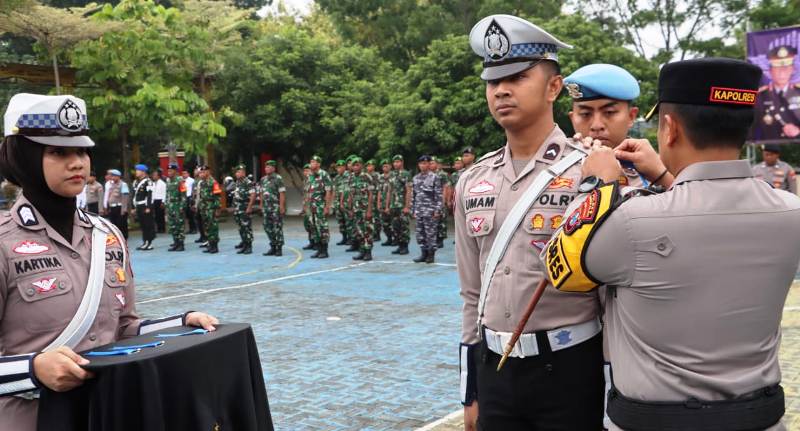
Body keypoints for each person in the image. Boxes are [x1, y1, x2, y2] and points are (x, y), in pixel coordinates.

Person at [545, 57, 796, 431]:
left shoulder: (632, 221)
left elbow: (560, 268)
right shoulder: (791, 212)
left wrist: (595, 186)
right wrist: (665, 175)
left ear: (669, 127)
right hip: (761, 419)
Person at [0, 93, 219, 431]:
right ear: (24, 156)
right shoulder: (3, 242)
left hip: (108, 413)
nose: (77, 163)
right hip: (32, 420)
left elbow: (121, 329)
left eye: (82, 150)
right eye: (58, 152)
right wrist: (33, 369)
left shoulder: (108, 236)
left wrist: (182, 323)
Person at [457, 14, 603, 430]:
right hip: (495, 369)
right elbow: (471, 294)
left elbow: (613, 298)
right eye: (492, 81)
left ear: (554, 87)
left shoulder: (589, 171)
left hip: (570, 369)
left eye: (518, 77)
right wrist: (471, 389)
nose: (501, 90)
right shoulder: (474, 180)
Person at [564, 63, 646, 187]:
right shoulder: (555, 167)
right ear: (572, 118)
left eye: (609, 112)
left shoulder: (654, 170)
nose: (596, 125)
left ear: (631, 116)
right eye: (585, 114)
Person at [755, 45, 800, 140]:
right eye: (777, 68)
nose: (782, 73)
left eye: (786, 68)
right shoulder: (759, 96)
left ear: (792, 70)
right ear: (770, 71)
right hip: (769, 150)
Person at [411, 155, 442, 263]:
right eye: (421, 163)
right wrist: (413, 210)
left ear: (429, 164)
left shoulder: (435, 177)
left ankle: (431, 255)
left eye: (425, 163)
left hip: (430, 211)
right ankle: (423, 253)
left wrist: (437, 210)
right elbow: (414, 196)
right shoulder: (415, 178)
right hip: (419, 210)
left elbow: (438, 195)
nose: (423, 165)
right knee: (420, 234)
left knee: (431, 234)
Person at [348, 157, 375, 261]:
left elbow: (371, 194)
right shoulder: (351, 178)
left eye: (357, 165)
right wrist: (350, 208)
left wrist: (369, 210)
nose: (355, 167)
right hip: (356, 209)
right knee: (359, 231)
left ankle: (368, 252)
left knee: (367, 230)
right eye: (354, 165)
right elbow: (350, 194)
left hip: (365, 208)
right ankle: (362, 250)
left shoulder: (367, 177)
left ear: (362, 166)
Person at [306, 155, 333, 258]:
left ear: (318, 164)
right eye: (311, 161)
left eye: (314, 162)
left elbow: (328, 191)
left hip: (320, 205)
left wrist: (327, 206)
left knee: (322, 227)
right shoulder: (310, 175)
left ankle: (324, 250)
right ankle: (318, 248)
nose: (311, 163)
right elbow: (308, 191)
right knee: (313, 227)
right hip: (311, 206)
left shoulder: (324, 174)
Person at [260, 160, 286, 256]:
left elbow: (282, 193)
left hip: (275, 206)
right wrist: (261, 204)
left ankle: (279, 248)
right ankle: (273, 246)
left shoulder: (278, 178)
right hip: (266, 207)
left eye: (269, 167)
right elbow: (262, 192)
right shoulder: (263, 179)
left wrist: (282, 206)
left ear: (273, 168)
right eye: (266, 167)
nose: (267, 168)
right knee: (267, 226)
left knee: (277, 227)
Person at [387, 155, 411, 255]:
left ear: (402, 162)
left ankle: (405, 246)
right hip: (394, 205)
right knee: (395, 226)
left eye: (398, 162)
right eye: (394, 162)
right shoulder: (391, 174)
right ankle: (399, 245)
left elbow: (408, 190)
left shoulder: (406, 174)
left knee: (404, 226)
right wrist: (387, 206)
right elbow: (389, 190)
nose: (396, 164)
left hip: (402, 205)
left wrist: (407, 206)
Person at [231, 164, 256, 255]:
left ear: (243, 173)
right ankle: (244, 244)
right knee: (241, 227)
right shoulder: (237, 182)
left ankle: (249, 246)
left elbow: (253, 195)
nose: (237, 174)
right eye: (236, 172)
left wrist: (249, 207)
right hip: (238, 208)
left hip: (244, 208)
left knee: (246, 227)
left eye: (239, 172)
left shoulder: (248, 182)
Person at [197, 165, 221, 253]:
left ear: (208, 172)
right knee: (207, 227)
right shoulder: (202, 182)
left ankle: (215, 246)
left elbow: (217, 197)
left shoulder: (213, 182)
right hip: (204, 207)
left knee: (213, 227)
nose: (201, 174)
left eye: (203, 172)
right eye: (200, 172)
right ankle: (210, 244)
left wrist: (218, 209)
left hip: (211, 207)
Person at [132, 164, 155, 251]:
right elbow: (135, 196)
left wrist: (148, 207)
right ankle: (145, 241)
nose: (136, 172)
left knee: (148, 224)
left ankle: (149, 242)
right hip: (138, 205)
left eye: (138, 170)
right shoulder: (136, 182)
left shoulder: (148, 182)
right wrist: (134, 207)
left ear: (143, 172)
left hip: (145, 206)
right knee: (142, 225)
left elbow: (149, 195)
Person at [165, 163, 186, 251]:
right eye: (168, 171)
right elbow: (167, 194)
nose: (169, 172)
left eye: (171, 171)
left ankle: (181, 244)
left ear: (175, 171)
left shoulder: (180, 180)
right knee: (172, 225)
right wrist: (166, 205)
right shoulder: (168, 181)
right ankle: (175, 242)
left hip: (178, 205)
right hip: (170, 206)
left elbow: (183, 195)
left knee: (179, 225)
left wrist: (181, 207)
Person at [103, 169, 129, 238]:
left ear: (118, 176)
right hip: (112, 208)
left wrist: (124, 210)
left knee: (121, 225)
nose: (112, 178)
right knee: (114, 225)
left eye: (114, 176)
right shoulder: (111, 185)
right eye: (112, 176)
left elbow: (125, 198)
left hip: (119, 207)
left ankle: (124, 238)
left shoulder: (123, 184)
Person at [430, 156, 448, 248]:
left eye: (432, 163)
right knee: (433, 220)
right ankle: (434, 238)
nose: (431, 164)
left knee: (441, 221)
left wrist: (443, 200)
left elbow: (445, 187)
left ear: (437, 164)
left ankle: (440, 240)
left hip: (439, 199)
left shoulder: (442, 174)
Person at [377, 159, 394, 246]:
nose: (385, 167)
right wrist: (378, 203)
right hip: (383, 202)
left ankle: (396, 239)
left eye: (387, 165)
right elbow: (379, 191)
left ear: (390, 166)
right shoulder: (380, 177)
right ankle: (389, 238)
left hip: (393, 203)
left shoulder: (393, 176)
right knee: (385, 223)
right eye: (383, 166)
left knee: (394, 222)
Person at [365, 159, 382, 242]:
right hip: (368, 199)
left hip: (375, 198)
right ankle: (372, 233)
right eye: (367, 166)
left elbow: (379, 189)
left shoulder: (377, 175)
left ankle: (377, 234)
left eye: (370, 165)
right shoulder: (365, 176)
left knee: (376, 217)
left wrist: (379, 201)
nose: (369, 167)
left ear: (374, 166)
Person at [332, 160, 348, 246]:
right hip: (338, 202)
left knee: (348, 221)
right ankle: (344, 238)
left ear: (344, 167)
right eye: (337, 167)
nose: (339, 169)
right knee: (341, 221)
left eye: (341, 167)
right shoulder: (337, 178)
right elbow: (335, 190)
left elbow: (345, 190)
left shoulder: (348, 176)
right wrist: (333, 202)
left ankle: (351, 239)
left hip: (346, 202)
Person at [300, 163, 315, 249]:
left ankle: (316, 242)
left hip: (313, 206)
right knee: (307, 225)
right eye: (305, 171)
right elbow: (305, 195)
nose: (306, 172)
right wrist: (303, 207)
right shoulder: (305, 181)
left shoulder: (314, 180)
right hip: (306, 206)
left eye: (308, 170)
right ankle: (311, 242)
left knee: (313, 225)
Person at [181, 169, 197, 234]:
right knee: (187, 214)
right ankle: (190, 228)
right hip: (184, 198)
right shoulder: (181, 180)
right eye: (183, 173)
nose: (184, 175)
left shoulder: (192, 180)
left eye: (185, 173)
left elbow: (194, 189)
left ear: (188, 174)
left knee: (191, 214)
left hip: (189, 197)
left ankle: (194, 228)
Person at [151, 168, 167, 233]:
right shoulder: (153, 183)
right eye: (153, 175)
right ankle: (158, 228)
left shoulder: (162, 183)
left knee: (161, 215)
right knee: (156, 215)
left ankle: (162, 228)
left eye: (155, 175)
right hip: (155, 200)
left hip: (160, 200)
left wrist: (163, 202)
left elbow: (164, 193)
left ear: (158, 176)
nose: (153, 176)